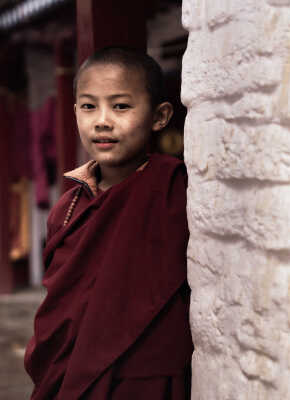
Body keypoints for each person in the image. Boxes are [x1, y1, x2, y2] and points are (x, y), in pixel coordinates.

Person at [24, 47, 193, 399]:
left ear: (160, 116)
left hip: (143, 380)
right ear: (75, 114)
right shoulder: (66, 208)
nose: (102, 120)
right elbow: (59, 314)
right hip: (66, 376)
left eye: (121, 106)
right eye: (89, 106)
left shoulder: (175, 191)